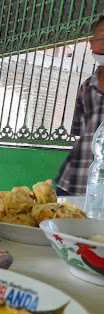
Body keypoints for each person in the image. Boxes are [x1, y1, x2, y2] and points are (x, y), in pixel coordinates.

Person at [56, 16, 104, 195]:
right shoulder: (87, 85)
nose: (97, 44)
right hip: (73, 179)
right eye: (96, 39)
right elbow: (79, 131)